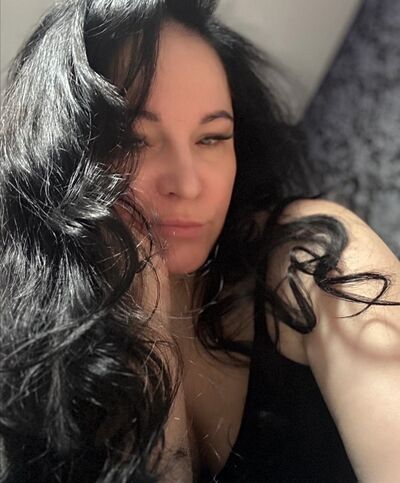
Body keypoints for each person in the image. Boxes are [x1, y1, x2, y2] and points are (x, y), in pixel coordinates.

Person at [0, 0, 399, 482]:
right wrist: (144, 316)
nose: (188, 185)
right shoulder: (29, 340)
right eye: (133, 140)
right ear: (60, 160)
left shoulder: (310, 253)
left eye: (212, 138)